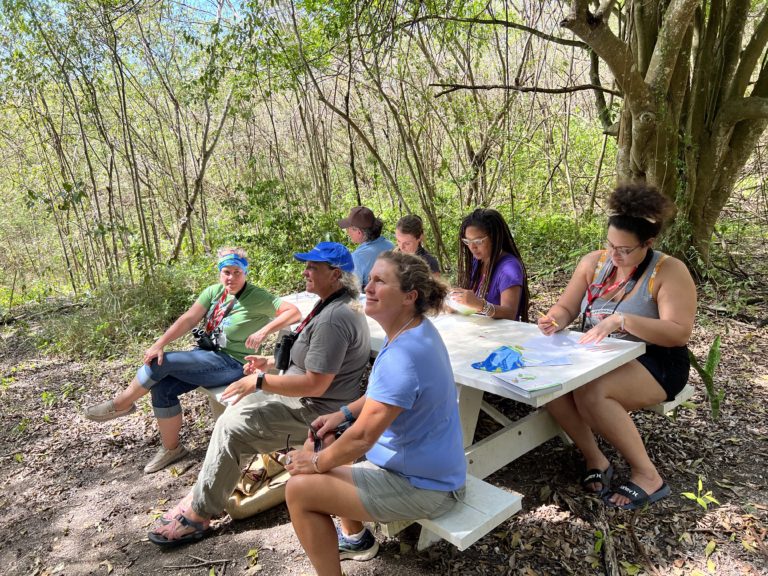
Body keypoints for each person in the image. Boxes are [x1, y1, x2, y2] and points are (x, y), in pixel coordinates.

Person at [147, 241, 371, 545]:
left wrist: (259, 381)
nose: (305, 272)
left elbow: (315, 384)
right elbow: (314, 361)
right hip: (304, 398)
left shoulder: (335, 317)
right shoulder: (331, 304)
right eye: (306, 266)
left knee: (233, 428)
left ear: (335, 275)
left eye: (312, 267)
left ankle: (199, 514)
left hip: (316, 411)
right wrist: (269, 363)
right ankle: (208, 490)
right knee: (235, 409)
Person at [282, 251, 466, 575]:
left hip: (426, 487)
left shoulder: (403, 356)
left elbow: (363, 438)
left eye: (380, 281)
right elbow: (386, 394)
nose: (367, 287)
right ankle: (355, 538)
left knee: (299, 490)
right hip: (429, 472)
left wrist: (315, 463)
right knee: (325, 439)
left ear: (409, 297)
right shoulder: (415, 330)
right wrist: (342, 414)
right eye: (370, 279)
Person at [537, 184, 696, 510]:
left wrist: (622, 321)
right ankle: (596, 458)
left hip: (656, 359)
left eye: (624, 249)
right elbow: (566, 308)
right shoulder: (593, 263)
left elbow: (679, 333)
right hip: (597, 355)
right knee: (550, 385)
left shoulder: (668, 271)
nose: (614, 255)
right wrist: (554, 319)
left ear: (648, 243)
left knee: (591, 392)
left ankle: (648, 475)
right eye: (610, 245)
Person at [83, 247, 301, 474]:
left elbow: (293, 312)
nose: (231, 277)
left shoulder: (256, 296)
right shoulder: (215, 292)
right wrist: (159, 343)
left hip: (233, 363)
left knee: (162, 362)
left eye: (237, 272)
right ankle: (172, 449)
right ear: (220, 272)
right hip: (207, 356)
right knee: (162, 387)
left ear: (245, 272)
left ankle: (121, 405)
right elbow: (188, 319)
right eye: (226, 272)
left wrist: (264, 330)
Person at [449, 208, 530, 321]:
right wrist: (457, 302)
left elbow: (510, 313)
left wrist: (481, 305)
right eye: (467, 241)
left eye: (478, 241)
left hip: (502, 332)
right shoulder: (478, 261)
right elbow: (471, 302)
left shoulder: (509, 268)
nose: (472, 247)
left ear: (495, 238)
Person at [337, 205, 394, 286]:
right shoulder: (390, 245)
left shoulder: (358, 257)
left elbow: (353, 289)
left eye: (348, 228)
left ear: (359, 232)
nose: (348, 232)